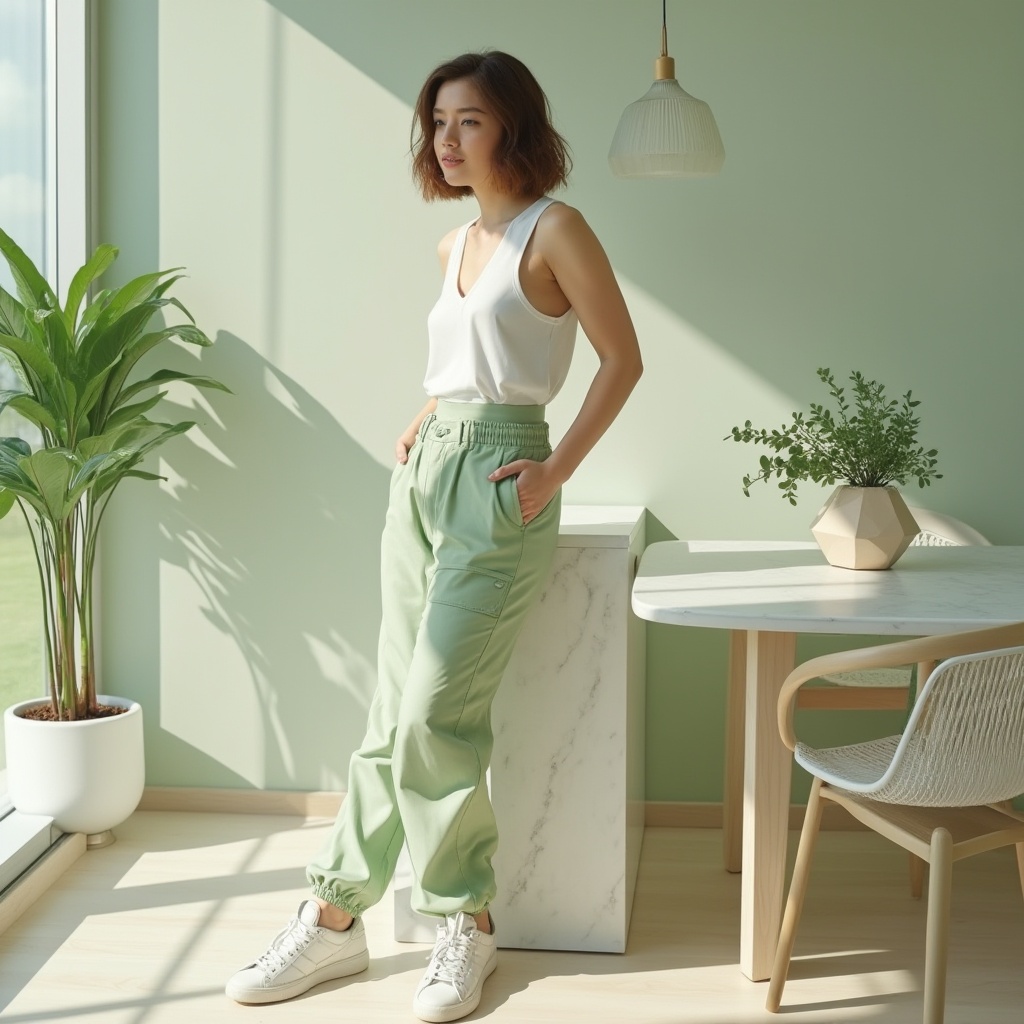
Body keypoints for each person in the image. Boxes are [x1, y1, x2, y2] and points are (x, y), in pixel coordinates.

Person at [226, 50, 642, 1023]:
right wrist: (429, 412)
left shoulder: (557, 228)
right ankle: (333, 921)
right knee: (386, 713)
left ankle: (468, 921)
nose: (445, 141)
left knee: (431, 715)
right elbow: (467, 354)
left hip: (503, 477)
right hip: (425, 477)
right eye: (438, 123)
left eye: (468, 122)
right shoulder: (453, 244)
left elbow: (621, 359)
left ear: (513, 129)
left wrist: (556, 469)